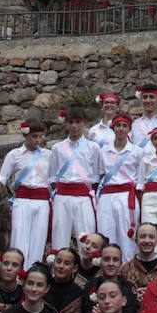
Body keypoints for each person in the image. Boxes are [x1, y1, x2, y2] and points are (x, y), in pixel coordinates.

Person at [0, 116, 51, 268]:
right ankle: (17, 272)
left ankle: (33, 271)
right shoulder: (14, 155)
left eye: (40, 137)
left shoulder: (48, 155)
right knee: (19, 237)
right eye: (34, 137)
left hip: (42, 201)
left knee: (38, 239)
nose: (37, 140)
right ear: (26, 135)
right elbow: (2, 178)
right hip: (22, 201)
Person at [48, 107, 102, 251]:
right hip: (62, 197)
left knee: (86, 236)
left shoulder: (93, 147)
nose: (74, 126)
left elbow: (96, 175)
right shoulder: (57, 148)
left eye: (78, 122)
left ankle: (88, 269)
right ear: (66, 124)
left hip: (83, 197)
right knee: (60, 236)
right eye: (71, 122)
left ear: (84, 123)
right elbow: (53, 176)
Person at [95, 113, 142, 263]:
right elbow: (100, 173)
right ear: (113, 128)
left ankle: (128, 269)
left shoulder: (137, 151)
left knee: (127, 234)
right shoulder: (103, 151)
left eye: (124, 126)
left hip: (127, 196)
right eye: (118, 126)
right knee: (106, 231)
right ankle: (107, 269)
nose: (121, 129)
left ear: (129, 129)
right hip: (107, 195)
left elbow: (140, 176)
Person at [81, 243, 139, 313]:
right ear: (100, 262)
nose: (111, 264)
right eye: (106, 259)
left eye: (115, 260)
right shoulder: (90, 285)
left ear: (121, 264)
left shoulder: (129, 287)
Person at [43, 247, 86, 313]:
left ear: (74, 268)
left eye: (66, 263)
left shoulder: (79, 293)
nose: (61, 266)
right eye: (58, 261)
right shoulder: (44, 288)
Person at [120, 223, 157, 304]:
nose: (147, 240)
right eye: (142, 236)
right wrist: (133, 295)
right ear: (136, 240)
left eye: (151, 237)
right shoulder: (125, 269)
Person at [130, 84, 157, 150]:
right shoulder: (134, 124)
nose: (148, 100)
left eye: (151, 97)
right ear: (141, 100)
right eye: (145, 97)